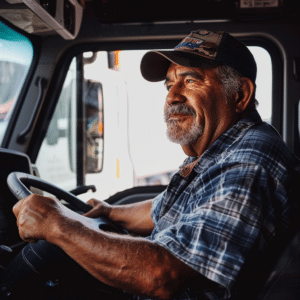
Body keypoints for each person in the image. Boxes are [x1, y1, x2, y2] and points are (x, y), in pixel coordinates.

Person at [9, 30, 300, 299]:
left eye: (190, 80)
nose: (172, 96)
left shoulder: (248, 164)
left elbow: (163, 276)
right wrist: (110, 211)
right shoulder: (218, 151)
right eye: (170, 84)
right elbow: (167, 207)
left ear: (240, 95)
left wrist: (59, 226)